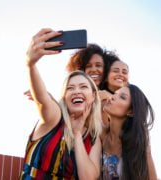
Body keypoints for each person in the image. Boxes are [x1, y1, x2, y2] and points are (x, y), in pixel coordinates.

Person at [20, 28, 102, 179]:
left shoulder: (93, 139)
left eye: (83, 87)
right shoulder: (55, 117)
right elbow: (43, 99)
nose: (76, 91)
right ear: (64, 97)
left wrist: (77, 134)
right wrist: (31, 65)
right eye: (70, 88)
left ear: (94, 96)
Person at [100, 84, 157, 180]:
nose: (113, 97)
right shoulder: (100, 135)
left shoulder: (139, 146)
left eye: (122, 97)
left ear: (131, 111)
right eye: (115, 94)